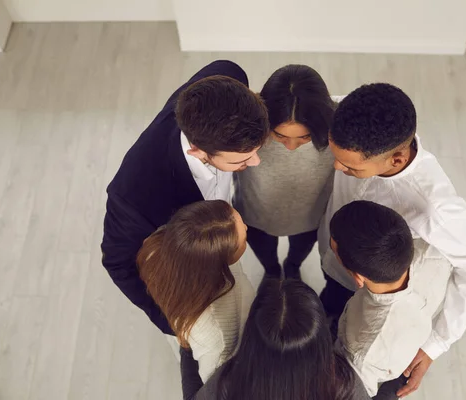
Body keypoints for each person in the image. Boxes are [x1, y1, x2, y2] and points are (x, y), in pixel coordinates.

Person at [318, 83, 466, 397]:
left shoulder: (435, 209)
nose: (336, 168)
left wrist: (435, 345)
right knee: (329, 305)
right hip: (336, 262)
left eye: (350, 167)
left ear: (396, 160)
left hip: (374, 291)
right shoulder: (350, 121)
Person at [101, 60, 269, 334]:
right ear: (198, 152)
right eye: (242, 159)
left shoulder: (228, 74)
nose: (256, 162)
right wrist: (176, 323)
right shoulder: (134, 196)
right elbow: (118, 264)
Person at [330, 200, 452, 398]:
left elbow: (358, 390)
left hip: (378, 373)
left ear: (358, 278)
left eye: (333, 249)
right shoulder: (433, 250)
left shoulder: (362, 350)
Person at [180, 278, 371, 400]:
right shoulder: (343, 382)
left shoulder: (229, 381)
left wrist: (187, 344)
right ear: (321, 337)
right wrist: (396, 381)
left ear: (251, 337)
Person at [234, 64, 341, 279]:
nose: (291, 146)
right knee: (265, 254)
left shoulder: (339, 126)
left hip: (310, 213)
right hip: (256, 210)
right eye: (280, 136)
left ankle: (292, 268)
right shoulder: (244, 124)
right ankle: (271, 272)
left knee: (298, 253)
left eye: (305, 137)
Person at [138, 200, 255, 382]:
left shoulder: (165, 244)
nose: (246, 228)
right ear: (217, 262)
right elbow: (211, 379)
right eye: (242, 241)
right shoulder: (217, 336)